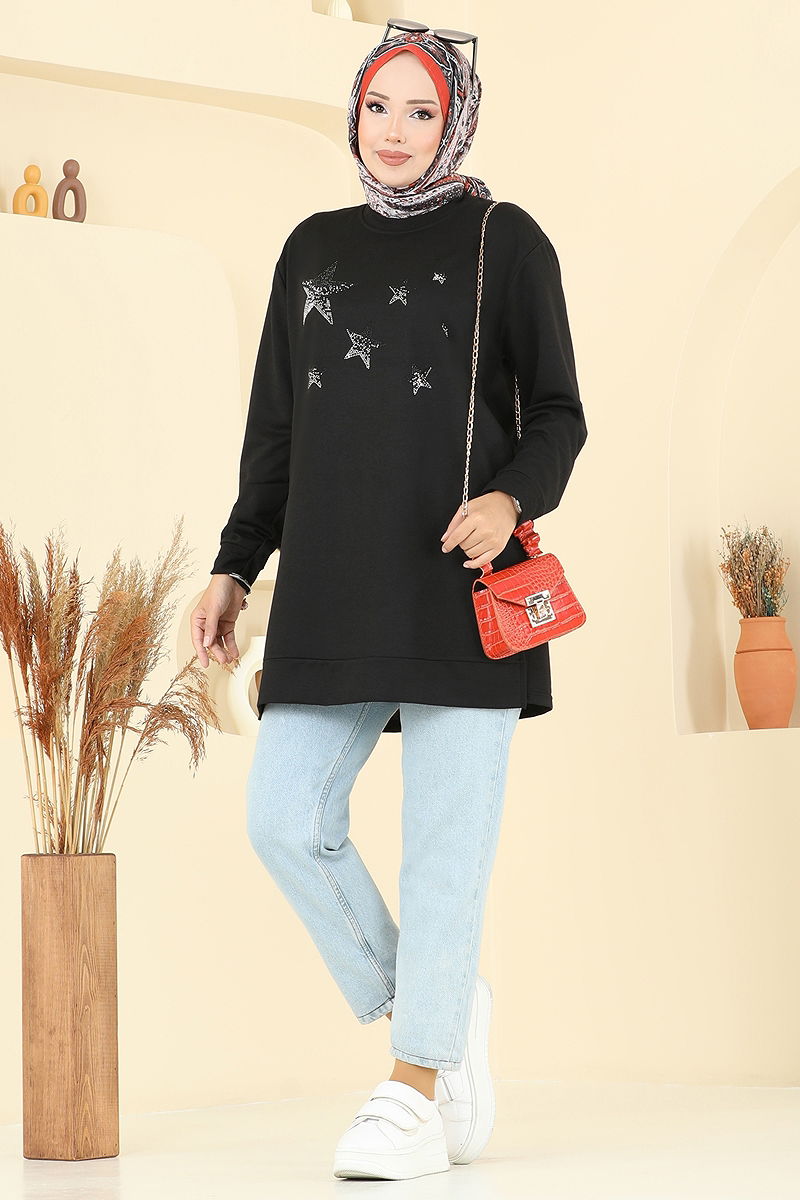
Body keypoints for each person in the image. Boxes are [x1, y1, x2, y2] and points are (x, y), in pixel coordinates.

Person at [191, 23, 587, 1182]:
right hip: (330, 589)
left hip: (462, 591)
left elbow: (557, 413)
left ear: (453, 120)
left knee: (441, 852)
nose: (396, 131)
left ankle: (414, 1089)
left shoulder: (505, 240)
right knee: (283, 818)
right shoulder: (311, 247)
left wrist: (510, 498)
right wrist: (234, 565)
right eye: (378, 107)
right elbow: (275, 434)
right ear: (353, 113)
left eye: (422, 111)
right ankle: (440, 1006)